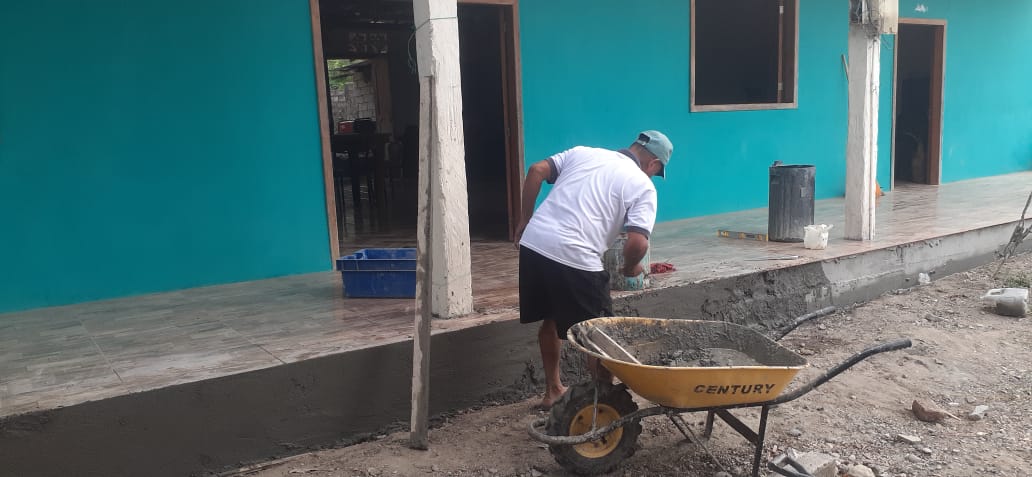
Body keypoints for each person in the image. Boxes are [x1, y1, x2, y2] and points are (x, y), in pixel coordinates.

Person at [515, 130, 673, 408]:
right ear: (653, 164)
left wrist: (524, 221)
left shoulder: (583, 153)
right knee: (600, 334)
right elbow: (637, 242)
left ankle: (553, 391)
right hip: (576, 257)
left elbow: (536, 170)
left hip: (534, 245)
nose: (652, 176)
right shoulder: (643, 185)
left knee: (550, 319)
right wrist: (631, 266)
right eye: (655, 172)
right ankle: (604, 405)